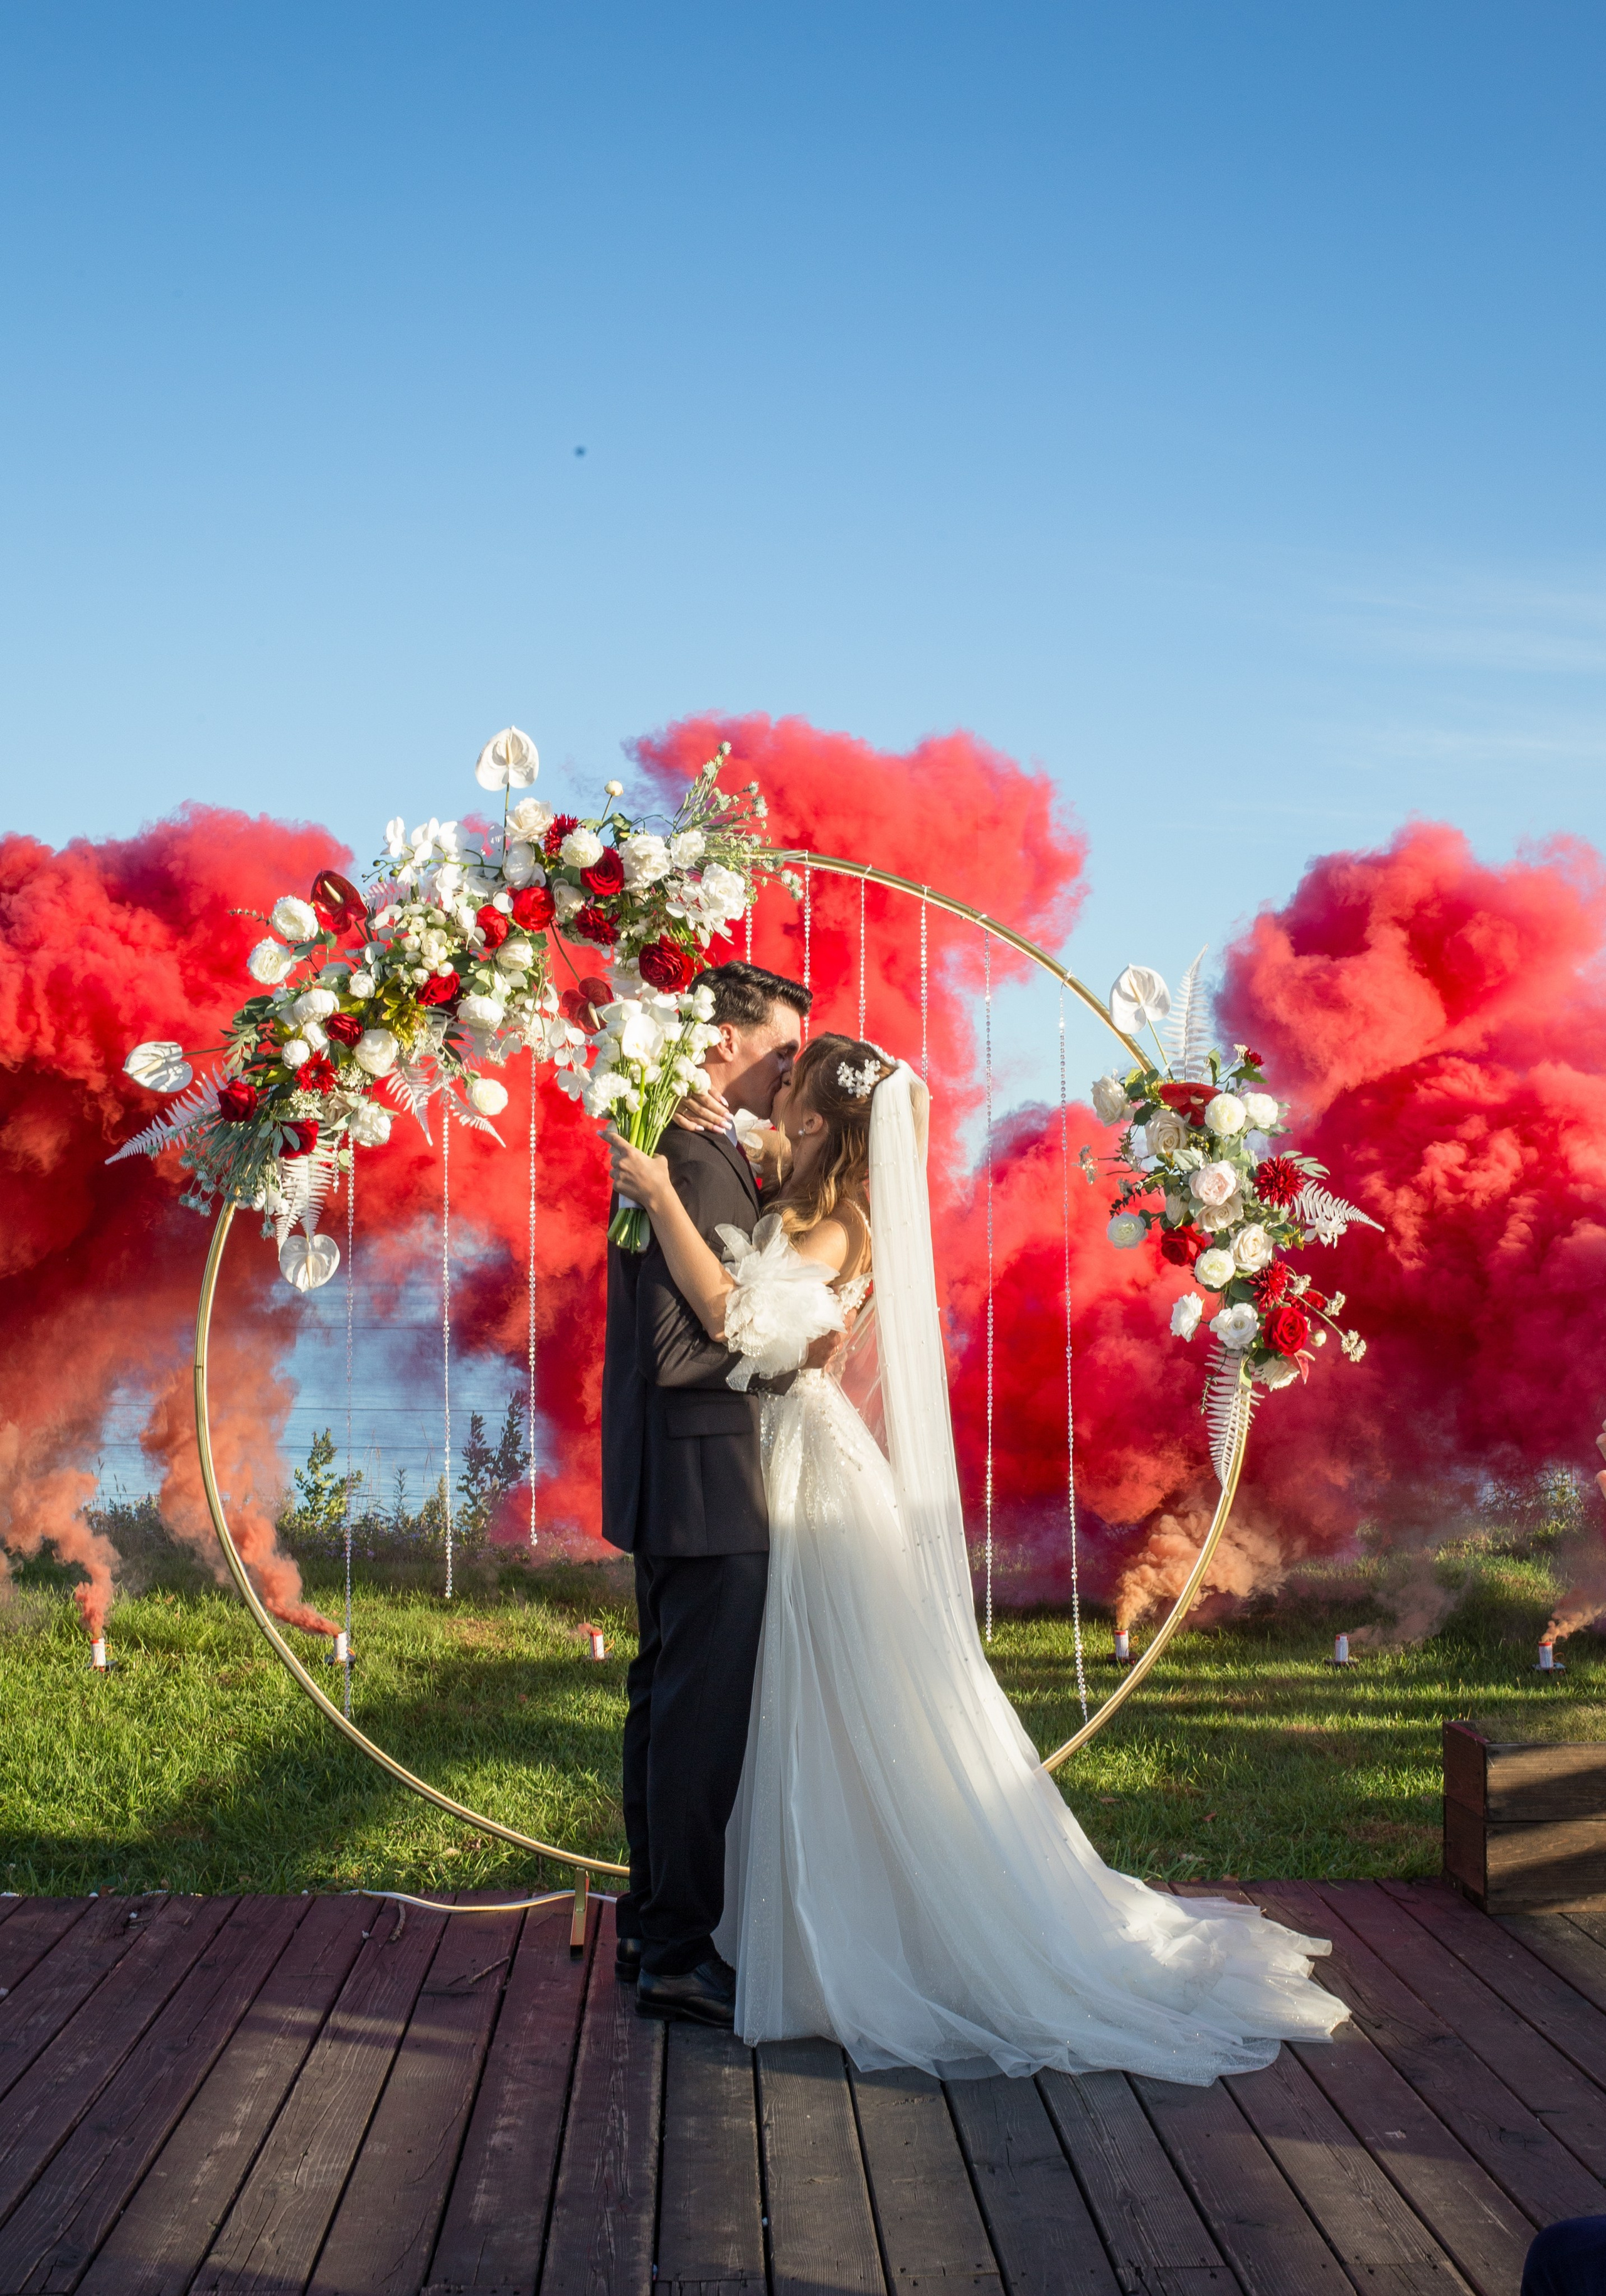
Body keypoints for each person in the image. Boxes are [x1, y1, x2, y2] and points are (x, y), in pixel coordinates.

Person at [607, 1034, 1350, 2082]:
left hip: (803, 1464)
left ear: (820, 1121)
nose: (774, 1093)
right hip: (769, 1457)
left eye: (791, 1085)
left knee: (839, 1693)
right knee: (779, 1696)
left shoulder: (840, 1231)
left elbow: (732, 1316)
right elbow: (764, 1161)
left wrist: (655, 1190)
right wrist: (714, 1121)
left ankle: (831, 1928)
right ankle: (744, 1918)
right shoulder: (805, 1191)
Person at [601, 959, 822, 2029]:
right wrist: (788, 1358)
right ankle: (680, 1948)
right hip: (707, 1476)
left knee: (664, 1706)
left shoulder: (695, 1143)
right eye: (783, 1052)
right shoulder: (687, 1158)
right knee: (698, 1722)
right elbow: (680, 1346)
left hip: (680, 1473)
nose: (792, 1074)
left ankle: (650, 1927)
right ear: (726, 1044)